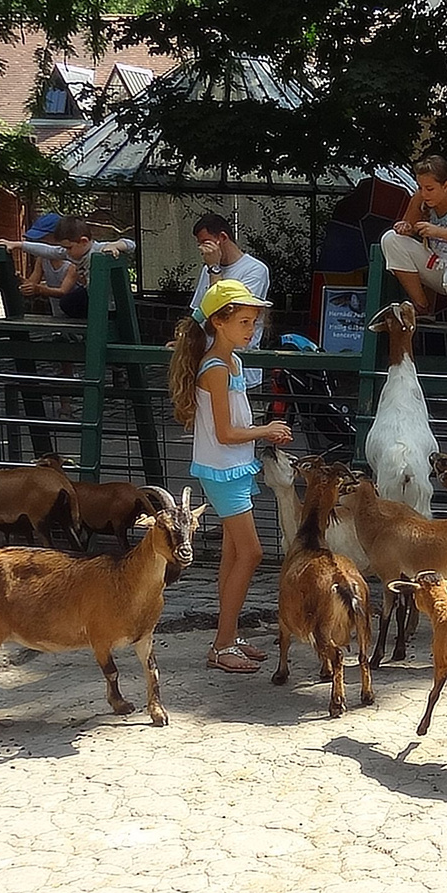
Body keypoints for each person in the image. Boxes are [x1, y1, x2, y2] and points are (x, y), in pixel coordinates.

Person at [168, 280, 293, 674]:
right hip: (224, 470)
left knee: (232, 555)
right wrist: (267, 431)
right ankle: (222, 644)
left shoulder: (232, 362)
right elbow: (225, 432)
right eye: (243, 321)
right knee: (252, 553)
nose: (250, 329)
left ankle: (229, 635)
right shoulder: (216, 368)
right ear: (218, 322)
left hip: (233, 467)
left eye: (253, 321)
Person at [380, 155, 447, 321]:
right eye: (420, 187)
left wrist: (438, 231)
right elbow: (409, 226)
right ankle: (422, 306)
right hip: (436, 265)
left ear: (446, 186)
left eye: (429, 189)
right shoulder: (420, 198)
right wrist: (406, 227)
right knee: (390, 239)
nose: (424, 193)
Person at [189, 212, 272, 390]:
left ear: (222, 237)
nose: (202, 250)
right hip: (209, 366)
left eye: (205, 242)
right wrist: (185, 339)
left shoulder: (255, 270)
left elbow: (224, 312)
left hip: (242, 371)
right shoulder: (207, 270)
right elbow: (199, 312)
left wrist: (214, 268)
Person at [0, 217, 136, 319]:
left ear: (83, 241)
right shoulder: (70, 252)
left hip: (110, 302)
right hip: (92, 295)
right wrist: (17, 245)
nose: (66, 252)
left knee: (74, 301)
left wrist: (115, 245)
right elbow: (46, 250)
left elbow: (130, 244)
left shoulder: (99, 249)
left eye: (68, 247)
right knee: (68, 303)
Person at [15, 212, 70, 307]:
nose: (38, 243)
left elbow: (63, 291)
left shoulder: (71, 261)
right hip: (56, 315)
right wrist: (22, 282)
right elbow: (32, 283)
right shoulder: (42, 259)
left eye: (42, 238)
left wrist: (39, 289)